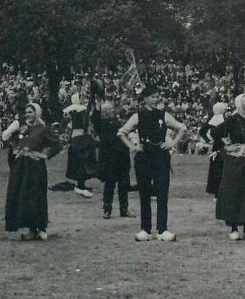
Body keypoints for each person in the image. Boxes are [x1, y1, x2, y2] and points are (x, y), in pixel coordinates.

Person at [118, 85, 187, 242]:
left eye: (158, 96)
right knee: (144, 192)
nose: (156, 99)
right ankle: (145, 229)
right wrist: (133, 147)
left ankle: (162, 229)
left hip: (161, 156)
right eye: (153, 97)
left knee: (162, 192)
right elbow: (122, 132)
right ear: (145, 99)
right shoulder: (138, 116)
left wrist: (172, 144)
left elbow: (182, 128)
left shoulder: (164, 115)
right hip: (144, 157)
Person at [4, 103, 62, 241]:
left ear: (37, 113)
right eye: (26, 112)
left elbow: (57, 144)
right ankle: (31, 229)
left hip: (35, 167)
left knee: (37, 195)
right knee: (24, 197)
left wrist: (43, 155)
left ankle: (41, 228)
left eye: (30, 112)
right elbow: (11, 140)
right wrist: (16, 150)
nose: (28, 114)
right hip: (21, 167)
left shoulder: (43, 129)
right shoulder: (24, 128)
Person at [215, 94, 245, 241]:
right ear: (239, 104)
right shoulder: (232, 119)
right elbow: (216, 132)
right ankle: (234, 227)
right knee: (236, 192)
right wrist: (228, 147)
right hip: (236, 162)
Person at [91, 101, 133, 219]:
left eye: (112, 110)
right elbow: (94, 118)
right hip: (109, 159)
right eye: (109, 110)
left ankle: (124, 209)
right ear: (103, 113)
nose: (112, 111)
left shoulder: (119, 123)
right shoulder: (101, 125)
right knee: (110, 184)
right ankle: (107, 209)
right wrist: (97, 105)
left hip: (122, 157)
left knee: (124, 184)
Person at [63, 93, 97, 198]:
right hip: (81, 138)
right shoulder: (82, 111)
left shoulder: (70, 111)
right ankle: (81, 187)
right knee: (83, 162)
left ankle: (81, 185)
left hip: (75, 137)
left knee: (79, 163)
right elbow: (85, 124)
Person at [199, 102, 228, 201]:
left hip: (215, 146)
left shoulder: (211, 121)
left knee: (214, 169)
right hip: (222, 146)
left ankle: (214, 191)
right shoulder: (223, 121)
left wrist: (209, 140)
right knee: (221, 170)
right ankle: (218, 193)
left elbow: (202, 131)